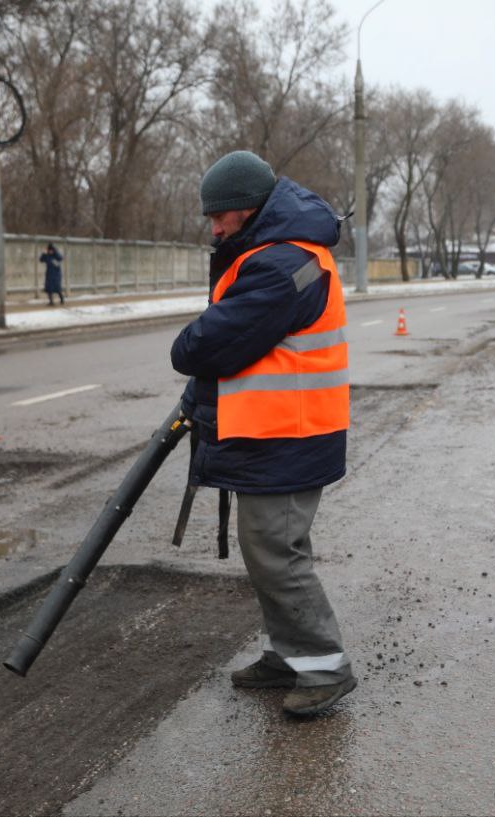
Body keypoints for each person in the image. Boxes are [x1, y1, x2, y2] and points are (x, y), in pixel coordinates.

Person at [170, 150, 356, 717]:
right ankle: (288, 654)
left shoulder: (281, 264)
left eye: (220, 217)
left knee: (275, 552)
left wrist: (193, 344)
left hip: (288, 437)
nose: (215, 227)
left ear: (247, 211)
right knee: (268, 549)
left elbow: (204, 344)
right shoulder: (278, 252)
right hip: (280, 434)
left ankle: (324, 665)